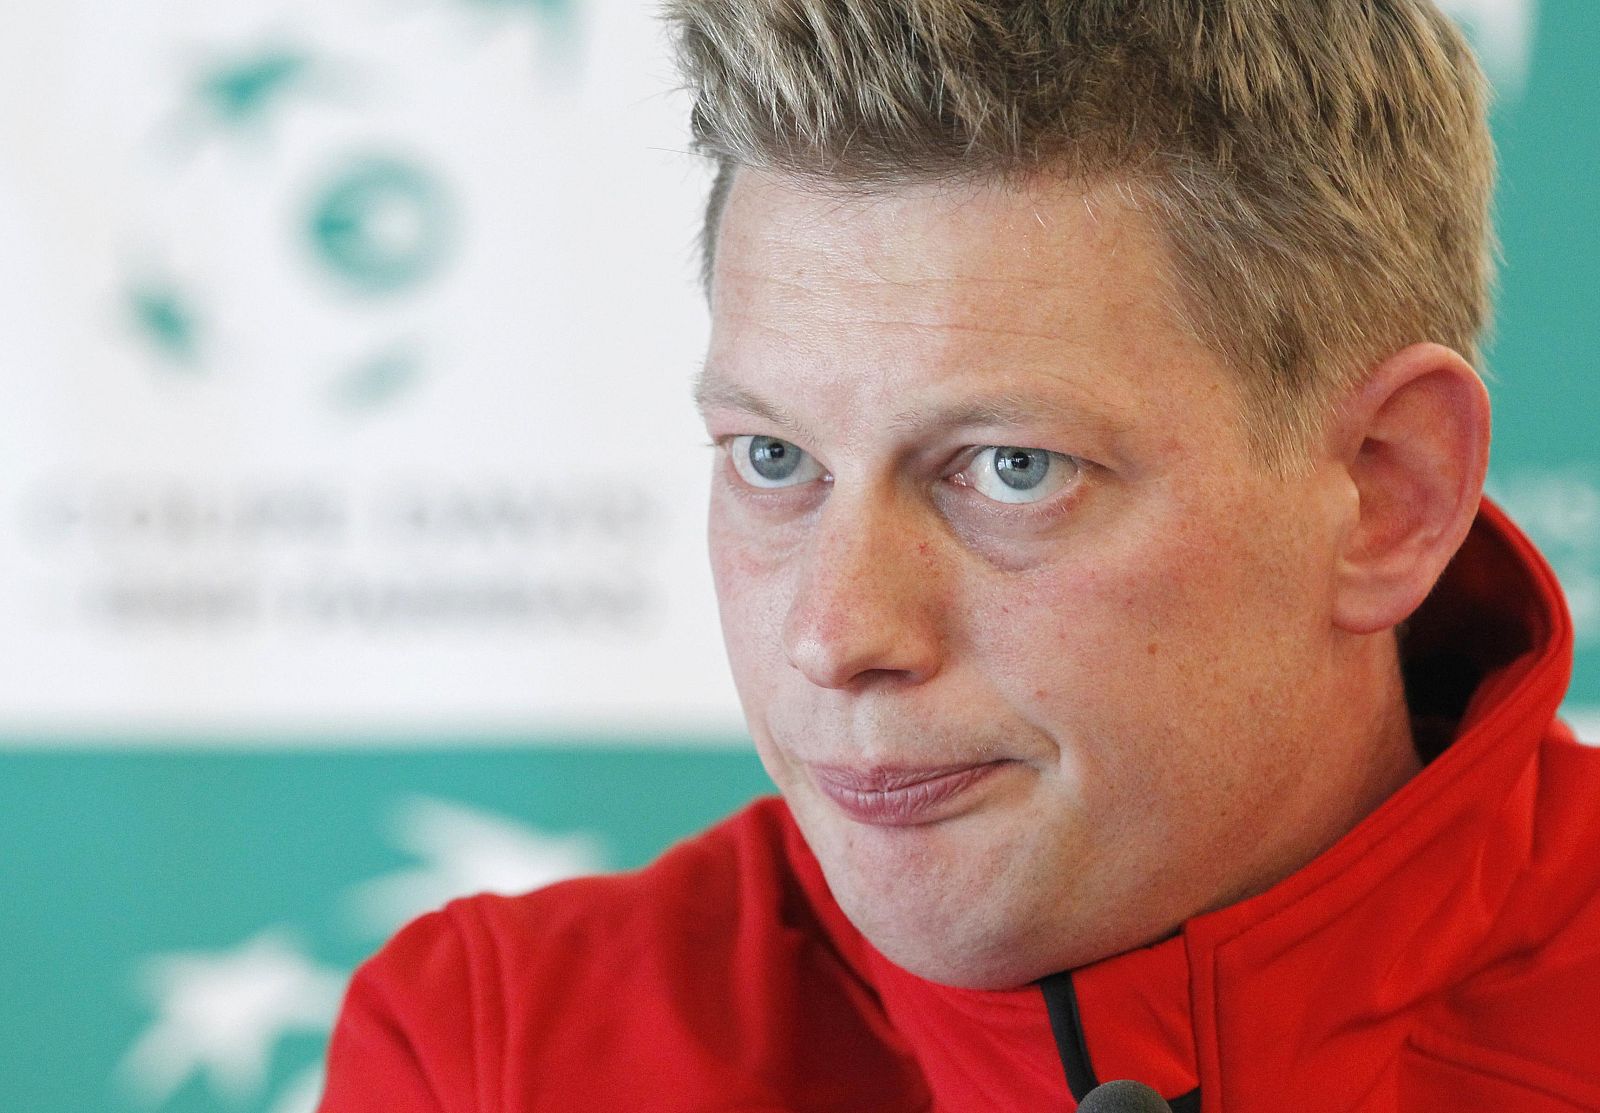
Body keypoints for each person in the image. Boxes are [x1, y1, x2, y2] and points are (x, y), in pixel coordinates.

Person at [317, 2, 1600, 1109]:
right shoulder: (499, 1053)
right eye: (773, 457)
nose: (834, 633)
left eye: (1011, 468)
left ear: (1385, 495)